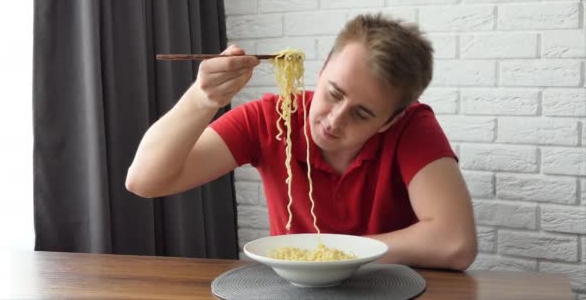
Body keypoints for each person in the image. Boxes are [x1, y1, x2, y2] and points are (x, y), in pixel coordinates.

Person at [126, 13, 477, 270]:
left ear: (392, 119)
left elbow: (455, 242)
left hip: (390, 287)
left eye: (363, 114)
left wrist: (332, 254)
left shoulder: (413, 126)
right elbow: (145, 181)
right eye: (334, 93)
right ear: (322, 69)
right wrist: (202, 100)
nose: (333, 121)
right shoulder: (272, 117)